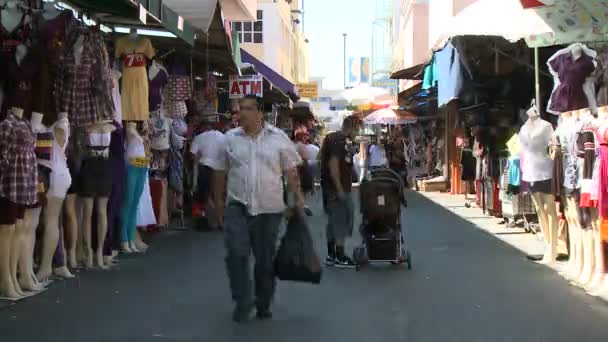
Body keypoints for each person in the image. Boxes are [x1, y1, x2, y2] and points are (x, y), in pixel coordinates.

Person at [210, 94, 305, 322]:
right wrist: (218, 204)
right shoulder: (229, 139)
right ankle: (243, 300)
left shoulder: (278, 138)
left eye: (249, 108)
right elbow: (219, 172)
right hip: (237, 206)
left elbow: (291, 173)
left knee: (264, 260)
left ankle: (263, 301)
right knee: (236, 254)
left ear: (261, 113)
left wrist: (296, 201)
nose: (242, 113)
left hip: (269, 210)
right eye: (241, 108)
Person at [320, 116, 359, 268]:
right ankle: (340, 255)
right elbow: (333, 165)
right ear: (352, 127)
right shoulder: (339, 141)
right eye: (357, 129)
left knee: (333, 222)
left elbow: (321, 158)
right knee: (342, 221)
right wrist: (339, 189)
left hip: (330, 188)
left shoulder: (333, 139)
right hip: (337, 189)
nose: (358, 132)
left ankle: (331, 255)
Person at [190, 122, 225, 230]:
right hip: (220, 167)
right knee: (219, 196)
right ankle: (220, 222)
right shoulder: (222, 136)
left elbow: (193, 156)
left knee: (207, 196)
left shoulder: (199, 137)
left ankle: (212, 220)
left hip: (205, 166)